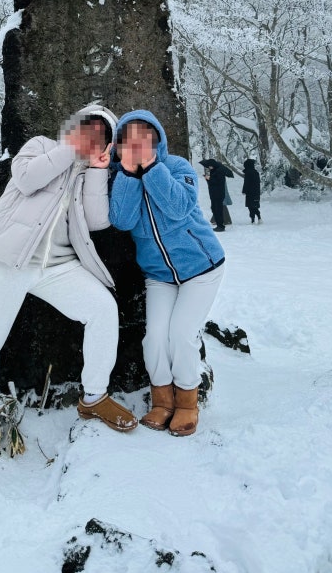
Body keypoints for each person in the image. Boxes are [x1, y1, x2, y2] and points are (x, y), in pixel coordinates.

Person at [0, 105, 138, 479]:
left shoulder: (90, 172)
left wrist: (99, 171)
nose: (92, 137)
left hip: (58, 267)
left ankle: (93, 397)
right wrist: (71, 148)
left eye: (101, 135)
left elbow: (98, 220)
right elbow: (24, 178)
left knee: (102, 308)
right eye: (88, 128)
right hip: (9, 261)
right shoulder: (39, 146)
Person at [109, 110, 225, 438]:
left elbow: (178, 208)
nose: (137, 145)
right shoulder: (121, 177)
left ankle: (187, 401)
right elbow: (122, 220)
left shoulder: (176, 168)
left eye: (145, 138)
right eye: (129, 139)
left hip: (202, 268)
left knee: (182, 334)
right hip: (160, 275)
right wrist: (131, 176)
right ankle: (162, 400)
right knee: (155, 337)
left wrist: (152, 170)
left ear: (157, 140)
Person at [199, 158, 234, 232]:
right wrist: (207, 178)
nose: (209, 168)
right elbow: (212, 183)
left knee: (218, 210)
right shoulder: (214, 170)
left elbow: (217, 182)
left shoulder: (219, 171)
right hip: (214, 194)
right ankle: (219, 225)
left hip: (218, 194)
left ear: (212, 165)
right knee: (214, 209)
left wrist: (209, 179)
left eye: (209, 166)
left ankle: (220, 226)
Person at [242, 158, 261, 224]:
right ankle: (259, 217)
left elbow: (246, 183)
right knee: (254, 206)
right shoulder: (256, 172)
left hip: (250, 192)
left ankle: (253, 219)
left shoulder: (248, 173)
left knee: (250, 206)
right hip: (256, 192)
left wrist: (244, 191)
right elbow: (258, 183)